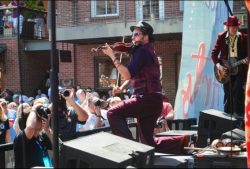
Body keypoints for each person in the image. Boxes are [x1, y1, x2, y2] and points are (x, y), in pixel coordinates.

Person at [101, 21, 162, 147]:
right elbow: (135, 77)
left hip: (146, 98)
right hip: (155, 100)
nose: (132, 37)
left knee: (112, 113)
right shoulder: (148, 51)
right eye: (132, 34)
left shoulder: (142, 51)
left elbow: (127, 74)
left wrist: (112, 56)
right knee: (147, 142)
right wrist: (122, 88)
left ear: (146, 36)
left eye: (136, 34)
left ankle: (130, 148)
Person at [211, 16, 248, 117]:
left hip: (239, 70)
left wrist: (246, 61)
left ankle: (239, 116)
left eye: (235, 27)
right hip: (225, 71)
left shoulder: (244, 37)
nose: (234, 29)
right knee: (228, 93)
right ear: (227, 27)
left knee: (238, 90)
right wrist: (219, 67)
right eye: (232, 27)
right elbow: (214, 54)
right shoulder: (221, 37)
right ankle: (227, 117)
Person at [13, 104, 53, 168]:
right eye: (38, 118)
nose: (42, 120)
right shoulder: (21, 138)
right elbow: (30, 128)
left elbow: (58, 147)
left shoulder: (41, 136)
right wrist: (33, 109)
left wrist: (47, 130)